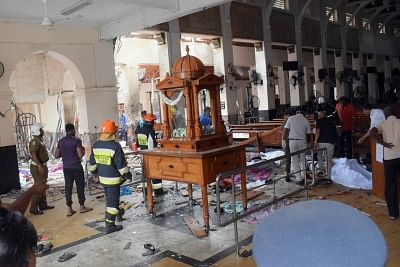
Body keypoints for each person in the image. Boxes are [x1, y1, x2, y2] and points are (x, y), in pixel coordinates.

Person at [88, 120, 132, 234]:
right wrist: (128, 175)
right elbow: (121, 165)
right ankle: (110, 225)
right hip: (113, 180)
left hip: (103, 179)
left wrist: (93, 174)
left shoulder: (96, 145)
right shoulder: (115, 146)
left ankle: (119, 213)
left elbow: (92, 163)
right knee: (112, 203)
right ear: (112, 133)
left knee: (111, 200)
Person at [55, 123, 92, 217]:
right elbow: (79, 155)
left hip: (66, 168)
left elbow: (56, 155)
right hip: (76, 167)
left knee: (68, 188)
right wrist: (83, 152)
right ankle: (82, 207)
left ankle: (69, 209)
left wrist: (65, 154)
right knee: (80, 186)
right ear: (72, 130)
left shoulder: (61, 141)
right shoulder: (76, 141)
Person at [370, 105, 400, 220]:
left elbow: (372, 132)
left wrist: (383, 143)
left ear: (385, 115)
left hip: (389, 158)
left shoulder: (383, 124)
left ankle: (393, 214)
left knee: (391, 185)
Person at [28, 123, 54, 215]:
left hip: (42, 165)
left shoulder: (39, 140)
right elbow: (33, 153)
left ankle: (43, 204)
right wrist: (39, 165)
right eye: (41, 129)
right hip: (37, 166)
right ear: (37, 131)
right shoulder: (34, 141)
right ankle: (33, 207)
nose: (42, 131)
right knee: (39, 187)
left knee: (43, 186)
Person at [282, 108, 312, 185]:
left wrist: (283, 140)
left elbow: (285, 130)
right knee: (302, 159)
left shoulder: (291, 118)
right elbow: (309, 134)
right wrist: (308, 142)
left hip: (292, 141)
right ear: (304, 114)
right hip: (302, 141)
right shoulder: (306, 120)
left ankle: (299, 178)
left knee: (294, 159)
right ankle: (303, 175)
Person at [136, 114, 164, 196]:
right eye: (153, 121)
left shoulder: (140, 130)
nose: (154, 123)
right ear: (151, 122)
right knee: (155, 173)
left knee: (145, 173)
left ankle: (145, 191)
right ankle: (158, 192)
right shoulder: (150, 131)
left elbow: (137, 143)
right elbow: (153, 145)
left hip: (143, 154)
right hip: (150, 155)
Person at [314, 110, 338, 182]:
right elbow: (336, 131)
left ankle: (321, 171)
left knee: (320, 156)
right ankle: (328, 177)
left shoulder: (319, 121)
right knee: (329, 160)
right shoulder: (332, 121)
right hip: (330, 142)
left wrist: (315, 142)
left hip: (321, 142)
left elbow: (318, 132)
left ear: (320, 116)